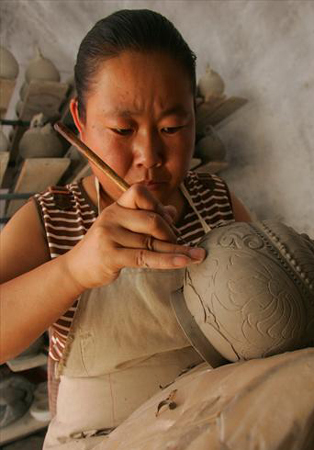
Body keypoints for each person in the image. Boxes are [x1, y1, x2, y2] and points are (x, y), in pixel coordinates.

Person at [0, 9, 251, 449]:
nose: (149, 154)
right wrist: (75, 270)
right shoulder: (52, 217)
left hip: (214, 429)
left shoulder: (215, 200)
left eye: (172, 127)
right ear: (80, 120)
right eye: (122, 128)